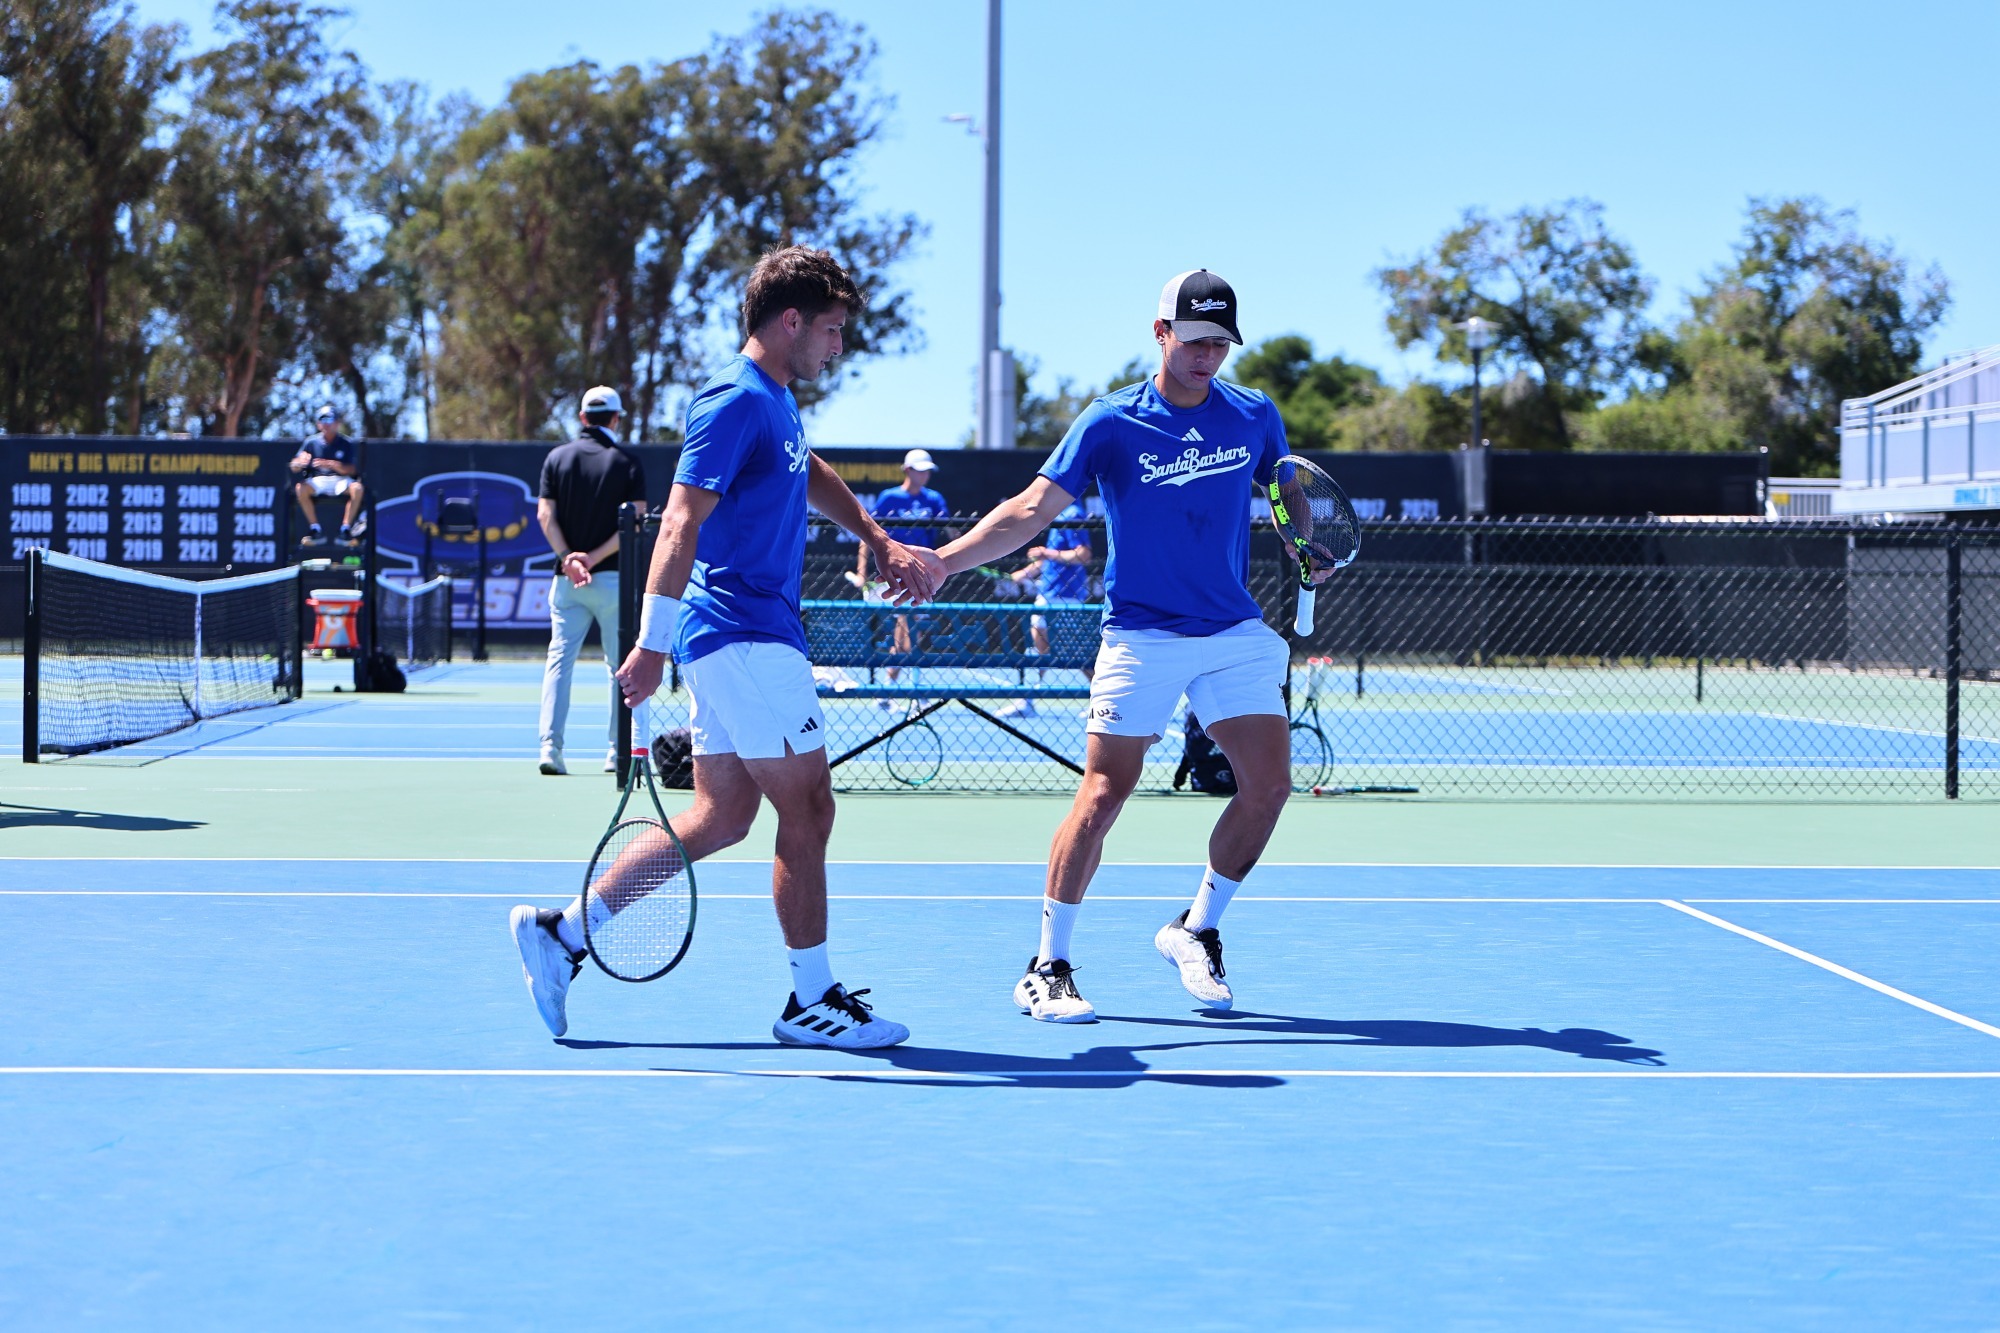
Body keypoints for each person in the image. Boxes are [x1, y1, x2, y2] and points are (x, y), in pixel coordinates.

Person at [509, 246, 939, 1049]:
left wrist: (877, 536)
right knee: (809, 808)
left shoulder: (775, 402)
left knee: (722, 815)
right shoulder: (734, 400)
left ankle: (561, 934)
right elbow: (679, 522)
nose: (838, 346)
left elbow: (805, 469)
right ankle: (810, 999)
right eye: (833, 329)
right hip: (742, 633)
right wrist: (647, 644)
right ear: (789, 321)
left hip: (750, 632)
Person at [923, 269, 1325, 1023]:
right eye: (1195, 340)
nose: (1208, 356)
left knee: (1268, 786)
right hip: (1141, 633)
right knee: (1104, 792)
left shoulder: (1254, 414)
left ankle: (1195, 929)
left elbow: (1284, 489)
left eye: (1220, 343)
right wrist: (946, 561)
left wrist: (1302, 537)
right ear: (1161, 334)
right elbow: (1031, 508)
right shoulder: (1111, 421)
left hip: (1231, 630)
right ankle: (1047, 965)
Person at [534, 386, 646, 776]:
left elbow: (545, 517)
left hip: (568, 583)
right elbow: (635, 520)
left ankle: (550, 749)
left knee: (559, 662)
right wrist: (593, 560)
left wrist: (571, 561)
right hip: (612, 581)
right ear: (615, 419)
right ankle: (618, 754)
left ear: (583, 418)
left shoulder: (556, 458)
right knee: (621, 666)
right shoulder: (627, 462)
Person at [855, 449, 949, 690]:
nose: (925, 475)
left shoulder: (935, 499)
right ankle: (896, 689)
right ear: (907, 470)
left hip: (923, 574)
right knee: (907, 628)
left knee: (912, 633)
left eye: (928, 470)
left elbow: (951, 532)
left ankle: (895, 687)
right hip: (895, 576)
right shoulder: (890, 498)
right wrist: (861, 570)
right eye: (920, 470)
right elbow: (869, 535)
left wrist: (956, 557)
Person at [998, 500, 1093, 719]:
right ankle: (1027, 701)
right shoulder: (1059, 512)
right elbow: (1051, 560)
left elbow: (1082, 555)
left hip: (1065, 597)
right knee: (1038, 648)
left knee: (1076, 653)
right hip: (1050, 595)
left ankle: (1104, 702)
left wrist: (1046, 553)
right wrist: (1025, 572)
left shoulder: (1072, 514)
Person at [291, 405, 365, 546]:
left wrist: (332, 464)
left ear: (337, 423)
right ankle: (315, 529)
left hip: (340, 480)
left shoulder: (346, 443)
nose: (326, 423)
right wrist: (299, 462)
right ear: (318, 424)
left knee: (358, 489)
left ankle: (345, 530)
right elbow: (295, 466)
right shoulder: (311, 442)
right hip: (318, 480)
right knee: (300, 488)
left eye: (330, 419)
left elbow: (352, 470)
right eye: (322, 419)